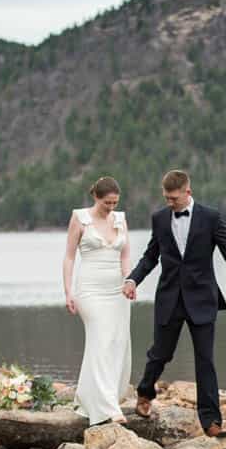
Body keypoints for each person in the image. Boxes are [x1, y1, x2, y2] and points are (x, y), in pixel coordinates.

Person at [122, 169, 226, 436]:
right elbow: (150, 257)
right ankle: (145, 392)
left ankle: (211, 421)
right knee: (160, 354)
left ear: (187, 192)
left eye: (174, 199)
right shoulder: (159, 219)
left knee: (205, 360)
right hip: (169, 298)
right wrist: (133, 279)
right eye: (167, 198)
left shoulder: (210, 218)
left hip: (202, 299)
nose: (170, 203)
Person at [63, 176, 132, 425]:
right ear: (95, 197)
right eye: (106, 203)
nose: (111, 207)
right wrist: (68, 291)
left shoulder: (121, 219)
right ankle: (109, 409)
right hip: (89, 289)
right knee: (101, 339)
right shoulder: (80, 218)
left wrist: (129, 280)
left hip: (117, 291)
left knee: (116, 342)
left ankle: (91, 398)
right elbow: (69, 257)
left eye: (114, 202)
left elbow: (125, 257)